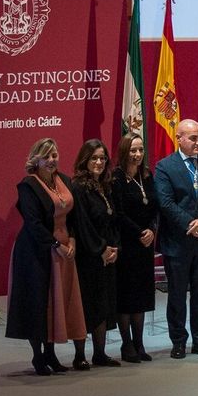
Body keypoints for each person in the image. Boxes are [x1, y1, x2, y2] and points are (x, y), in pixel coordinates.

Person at [6, 138, 86, 375]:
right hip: (35, 251)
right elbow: (33, 222)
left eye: (54, 155)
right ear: (36, 159)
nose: (52, 160)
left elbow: (72, 218)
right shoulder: (28, 186)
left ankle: (51, 354)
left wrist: (71, 240)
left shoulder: (65, 181)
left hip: (63, 248)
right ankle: (38, 356)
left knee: (55, 302)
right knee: (38, 302)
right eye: (46, 156)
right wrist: (55, 244)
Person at [155, 119, 198, 358]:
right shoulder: (165, 166)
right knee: (176, 294)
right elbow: (165, 203)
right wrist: (191, 225)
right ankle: (178, 341)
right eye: (192, 138)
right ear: (179, 138)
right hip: (178, 242)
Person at [69, 139, 120, 367]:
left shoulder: (106, 186)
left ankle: (99, 353)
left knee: (104, 305)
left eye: (102, 158)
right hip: (88, 256)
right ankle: (80, 355)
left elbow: (113, 219)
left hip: (108, 255)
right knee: (87, 305)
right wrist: (100, 249)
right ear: (85, 160)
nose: (99, 162)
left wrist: (114, 247)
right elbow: (82, 225)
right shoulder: (78, 187)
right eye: (94, 158)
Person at [111, 133, 157, 362]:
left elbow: (154, 207)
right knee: (126, 298)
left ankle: (139, 343)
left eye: (140, 150)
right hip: (127, 245)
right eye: (133, 150)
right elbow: (118, 214)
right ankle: (126, 344)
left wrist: (151, 229)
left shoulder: (147, 176)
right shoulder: (116, 178)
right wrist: (139, 232)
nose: (137, 155)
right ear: (124, 152)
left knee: (141, 296)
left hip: (145, 246)